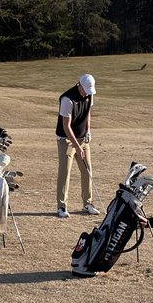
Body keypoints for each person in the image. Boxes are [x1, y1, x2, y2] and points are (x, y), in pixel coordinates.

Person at [55, 73, 98, 219]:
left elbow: (87, 114)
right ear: (79, 85)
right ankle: (61, 207)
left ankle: (88, 203)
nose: (87, 94)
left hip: (82, 138)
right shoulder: (67, 99)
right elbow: (66, 127)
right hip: (65, 140)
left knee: (87, 170)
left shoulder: (89, 95)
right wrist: (77, 147)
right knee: (65, 172)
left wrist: (88, 131)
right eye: (85, 90)